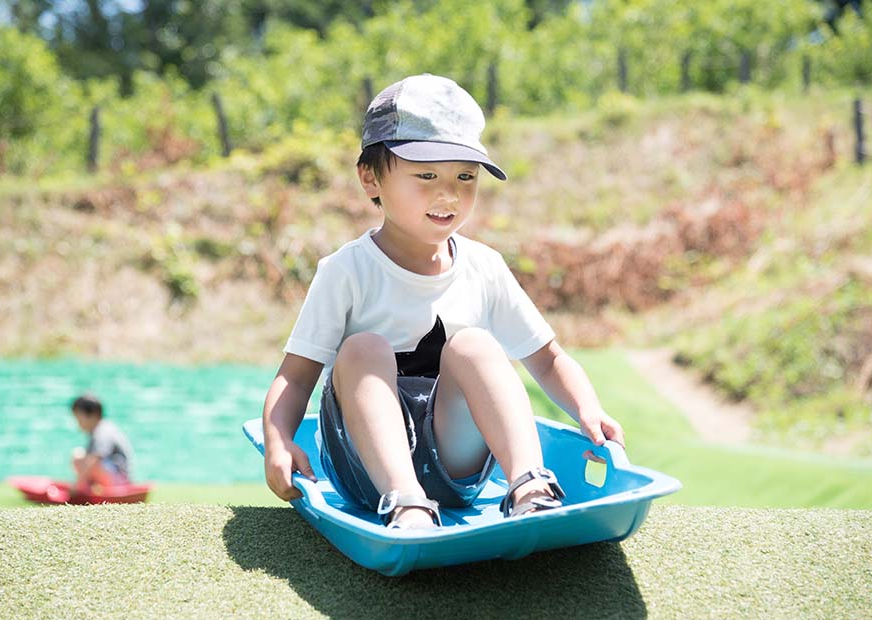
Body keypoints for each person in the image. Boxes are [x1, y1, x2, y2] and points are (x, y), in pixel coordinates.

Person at [262, 74, 624, 529]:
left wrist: (588, 409)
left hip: (454, 464)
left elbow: (548, 361)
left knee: (474, 345)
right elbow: (295, 379)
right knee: (362, 349)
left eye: (465, 177)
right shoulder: (346, 271)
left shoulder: (484, 266)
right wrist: (278, 440)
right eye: (426, 175)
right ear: (370, 178)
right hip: (365, 470)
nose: (448, 194)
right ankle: (406, 502)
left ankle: (531, 485)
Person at [70, 393, 134, 491]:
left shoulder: (103, 430)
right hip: (114, 476)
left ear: (93, 415)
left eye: (79, 418)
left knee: (80, 458)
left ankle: (85, 488)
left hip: (119, 480)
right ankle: (89, 487)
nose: (78, 423)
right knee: (81, 456)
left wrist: (77, 484)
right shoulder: (99, 429)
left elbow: (96, 459)